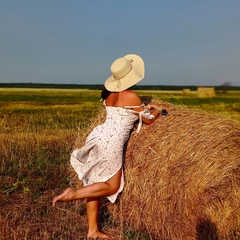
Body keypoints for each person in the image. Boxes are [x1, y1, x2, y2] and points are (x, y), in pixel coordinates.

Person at [52, 54, 167, 239]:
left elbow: (128, 112)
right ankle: (72, 194)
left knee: (95, 182)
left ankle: (92, 230)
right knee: (112, 187)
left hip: (98, 136)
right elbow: (148, 120)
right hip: (111, 143)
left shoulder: (109, 95)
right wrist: (159, 111)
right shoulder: (131, 95)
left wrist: (143, 107)